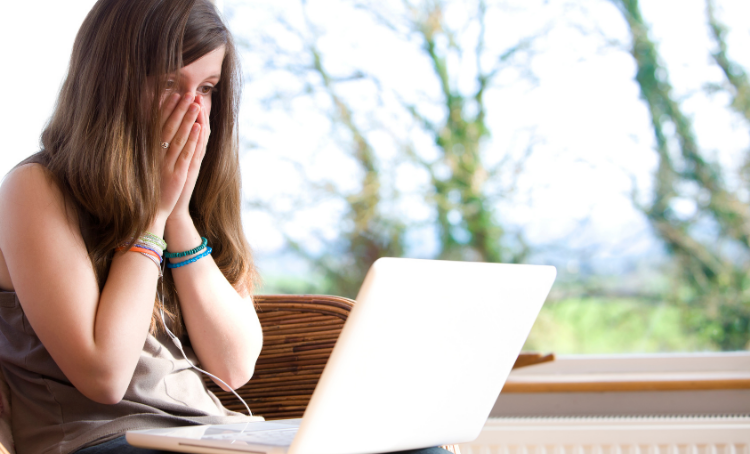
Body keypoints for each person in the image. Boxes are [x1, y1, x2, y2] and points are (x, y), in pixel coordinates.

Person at [0, 0, 455, 453]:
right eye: (169, 84)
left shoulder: (193, 197)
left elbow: (234, 366)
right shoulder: (35, 188)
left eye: (207, 88)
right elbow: (105, 375)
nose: (192, 109)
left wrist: (179, 216)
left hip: (206, 433)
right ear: (109, 83)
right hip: (100, 440)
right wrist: (153, 216)